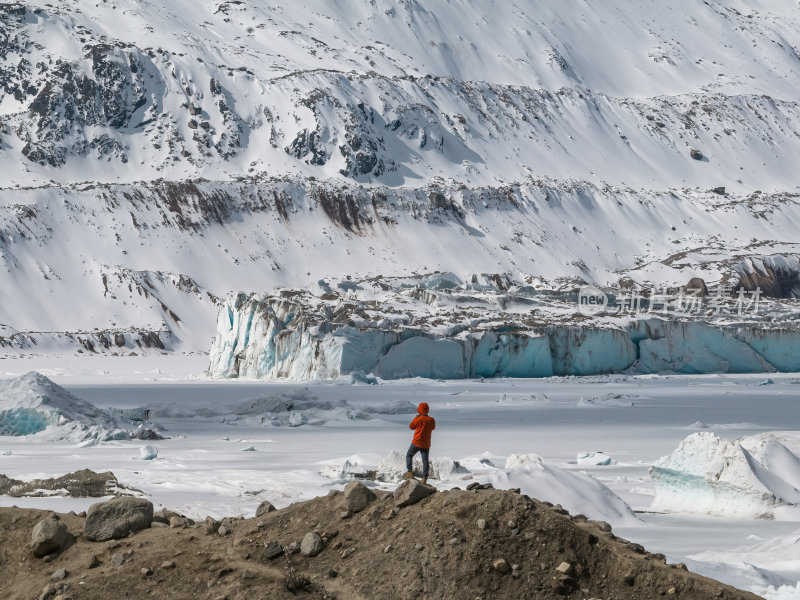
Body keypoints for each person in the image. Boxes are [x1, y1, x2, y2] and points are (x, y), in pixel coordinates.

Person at [405, 402, 436, 484]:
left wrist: (416, 418)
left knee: (409, 455)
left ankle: (409, 472)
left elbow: (411, 427)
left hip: (416, 442)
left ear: (420, 409)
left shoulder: (418, 419)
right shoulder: (431, 420)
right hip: (426, 444)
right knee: (425, 460)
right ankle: (424, 478)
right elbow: (433, 427)